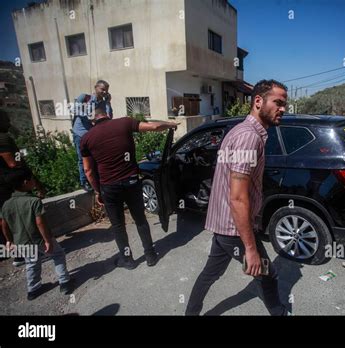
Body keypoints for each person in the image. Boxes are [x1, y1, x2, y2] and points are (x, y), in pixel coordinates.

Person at [185, 79, 289, 316]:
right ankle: (280, 312)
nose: (283, 109)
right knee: (268, 274)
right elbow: (238, 198)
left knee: (210, 273)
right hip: (233, 228)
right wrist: (250, 248)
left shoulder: (242, 131)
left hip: (225, 224)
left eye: (285, 104)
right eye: (278, 102)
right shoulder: (248, 137)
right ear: (258, 101)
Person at [80, 108, 179, 269]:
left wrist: (97, 191)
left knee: (118, 226)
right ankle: (150, 255)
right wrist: (170, 124)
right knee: (140, 219)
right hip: (132, 182)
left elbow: (88, 171)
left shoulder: (86, 138)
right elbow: (153, 127)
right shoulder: (124, 123)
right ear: (108, 115)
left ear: (92, 121)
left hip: (109, 187)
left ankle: (127, 260)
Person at [0, 167, 74, 300]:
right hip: (38, 239)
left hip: (21, 242)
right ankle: (65, 282)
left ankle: (33, 289)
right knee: (57, 254)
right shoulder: (33, 201)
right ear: (25, 182)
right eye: (32, 179)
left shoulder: (6, 205)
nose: (34, 181)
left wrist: (9, 240)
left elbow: (3, 224)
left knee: (31, 263)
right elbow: (40, 223)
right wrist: (47, 240)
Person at [0, 111, 45, 266]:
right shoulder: (3, 138)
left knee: (7, 218)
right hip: (10, 185)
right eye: (6, 118)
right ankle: (31, 253)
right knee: (26, 218)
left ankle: (17, 254)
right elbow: (13, 163)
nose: (9, 121)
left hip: (6, 186)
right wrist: (21, 161)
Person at [72, 80, 113, 192]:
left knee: (96, 157)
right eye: (102, 89)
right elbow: (73, 109)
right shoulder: (85, 98)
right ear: (96, 88)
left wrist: (108, 102)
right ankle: (84, 182)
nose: (105, 92)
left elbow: (109, 117)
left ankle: (96, 179)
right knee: (82, 158)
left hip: (93, 134)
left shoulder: (103, 102)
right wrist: (88, 116)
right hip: (80, 133)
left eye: (106, 90)